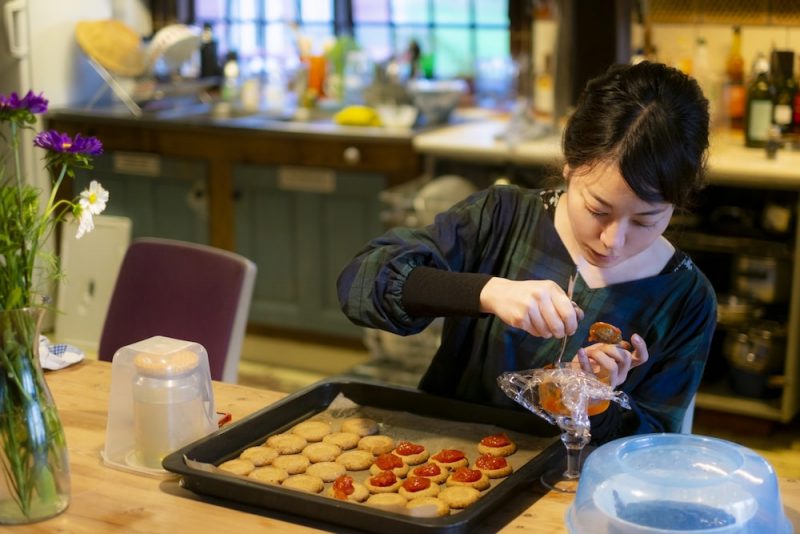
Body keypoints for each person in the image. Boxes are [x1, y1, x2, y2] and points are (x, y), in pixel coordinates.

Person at [337, 61, 716, 444]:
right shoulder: (503, 218)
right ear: (569, 167)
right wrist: (489, 292)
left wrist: (595, 401)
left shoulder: (685, 299)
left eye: (645, 221)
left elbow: (658, 446)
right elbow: (362, 282)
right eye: (598, 210)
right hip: (448, 455)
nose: (612, 241)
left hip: (570, 479)